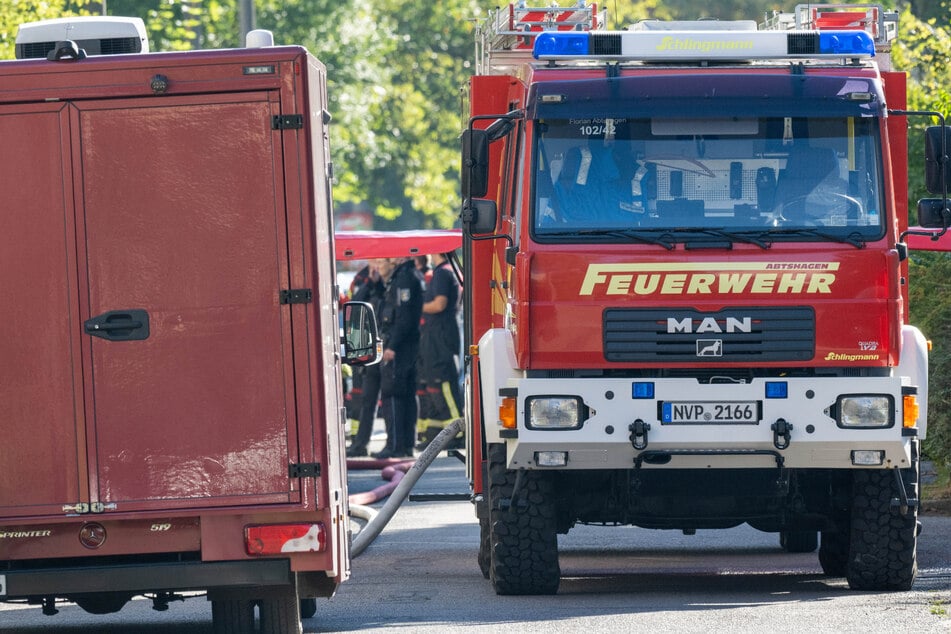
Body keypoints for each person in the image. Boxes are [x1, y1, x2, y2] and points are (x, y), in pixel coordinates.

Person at [372, 256, 424, 459]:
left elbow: (403, 318)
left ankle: (395, 445)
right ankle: (406, 444)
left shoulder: (404, 278)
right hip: (407, 346)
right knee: (406, 396)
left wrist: (391, 346)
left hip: (399, 347)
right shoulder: (408, 276)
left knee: (392, 395)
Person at [416, 252, 464, 451]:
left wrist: (415, 307)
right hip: (435, 338)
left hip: (441, 340)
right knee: (434, 387)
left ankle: (458, 431)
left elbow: (439, 304)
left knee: (444, 386)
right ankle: (436, 434)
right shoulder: (441, 272)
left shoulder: (443, 274)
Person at [346, 262, 385, 458]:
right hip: (366, 347)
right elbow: (355, 303)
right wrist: (371, 282)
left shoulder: (390, 282)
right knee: (364, 399)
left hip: (381, 348)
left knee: (382, 398)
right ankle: (359, 442)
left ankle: (395, 445)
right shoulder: (364, 280)